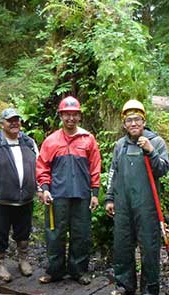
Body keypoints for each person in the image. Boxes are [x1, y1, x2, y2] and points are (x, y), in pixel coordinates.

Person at [105, 99, 169, 295]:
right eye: (129, 120)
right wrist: (109, 198)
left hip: (147, 204)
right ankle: (124, 284)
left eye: (138, 119)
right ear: (124, 124)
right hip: (123, 202)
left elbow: (162, 170)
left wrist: (150, 151)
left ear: (144, 121)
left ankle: (150, 287)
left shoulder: (156, 141)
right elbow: (113, 172)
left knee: (149, 246)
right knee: (122, 244)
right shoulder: (120, 145)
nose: (134, 124)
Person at [36, 96, 101, 285]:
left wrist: (95, 193)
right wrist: (45, 189)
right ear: (61, 116)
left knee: (81, 234)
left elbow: (95, 166)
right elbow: (42, 167)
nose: (70, 119)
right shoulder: (51, 141)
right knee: (54, 233)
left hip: (81, 195)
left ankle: (78, 271)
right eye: (67, 115)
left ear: (79, 116)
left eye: (74, 115)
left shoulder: (88, 139)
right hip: (57, 196)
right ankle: (54, 271)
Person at [0, 107, 39, 282]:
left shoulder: (29, 143)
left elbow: (39, 169)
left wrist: (41, 189)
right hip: (1, 200)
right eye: (10, 120)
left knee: (24, 232)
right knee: (0, 233)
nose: (14, 123)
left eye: (17, 120)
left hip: (25, 199)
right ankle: (0, 264)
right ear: (2, 124)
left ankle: (23, 260)